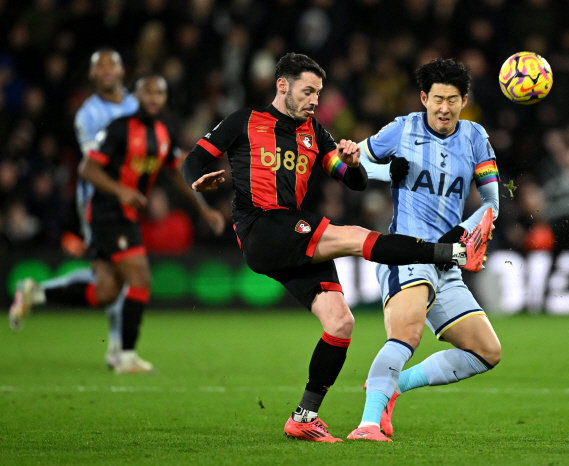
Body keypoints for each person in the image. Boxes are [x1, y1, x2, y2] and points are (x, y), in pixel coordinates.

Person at [180, 53, 480, 443]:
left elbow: (349, 179)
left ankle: (304, 417)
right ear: (282, 85)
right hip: (262, 227)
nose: (314, 100)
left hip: (293, 237)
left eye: (318, 93)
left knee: (340, 324)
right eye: (308, 91)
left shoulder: (315, 133)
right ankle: (451, 254)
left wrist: (354, 164)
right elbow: (196, 158)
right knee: (356, 237)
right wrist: (197, 182)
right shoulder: (245, 121)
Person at [10, 75, 225, 373]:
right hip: (107, 212)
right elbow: (87, 169)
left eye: (159, 93)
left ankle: (37, 293)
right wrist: (121, 190)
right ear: (136, 97)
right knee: (141, 277)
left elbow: (177, 172)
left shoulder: (164, 133)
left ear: (164, 100)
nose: (153, 98)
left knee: (107, 291)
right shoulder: (119, 129)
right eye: (147, 92)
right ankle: (125, 357)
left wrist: (204, 210)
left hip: (127, 216)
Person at [347, 58, 501, 442]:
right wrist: (385, 172)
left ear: (464, 101)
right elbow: (346, 164)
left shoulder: (475, 136)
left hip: (447, 259)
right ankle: (367, 425)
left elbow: (491, 201)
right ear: (423, 98)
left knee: (486, 352)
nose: (444, 108)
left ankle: (393, 385)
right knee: (407, 335)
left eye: (452, 99)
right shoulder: (402, 128)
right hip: (407, 253)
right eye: (437, 99)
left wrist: (463, 233)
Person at [9, 49, 137, 366]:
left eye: (112, 64)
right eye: (100, 66)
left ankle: (37, 292)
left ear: (122, 71)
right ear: (92, 75)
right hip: (99, 199)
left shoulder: (134, 104)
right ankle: (118, 349)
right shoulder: (88, 115)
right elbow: (98, 162)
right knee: (119, 267)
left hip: (126, 196)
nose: (106, 70)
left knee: (111, 271)